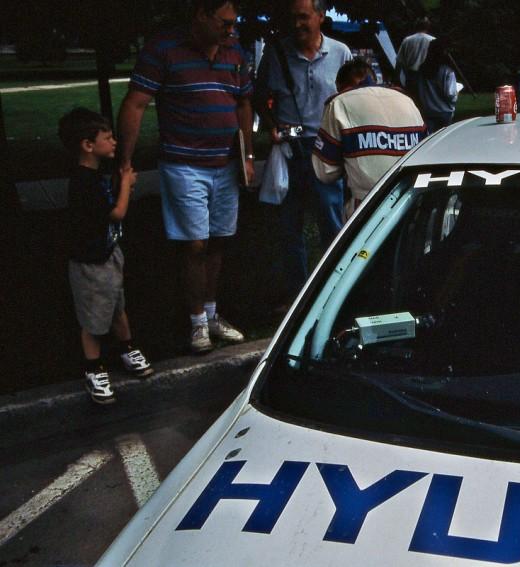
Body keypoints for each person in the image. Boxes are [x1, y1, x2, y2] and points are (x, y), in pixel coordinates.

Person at [117, 0, 253, 354]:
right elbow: (135, 103)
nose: (230, 30)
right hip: (184, 163)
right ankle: (196, 323)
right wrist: (124, 162)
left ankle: (211, 314)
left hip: (225, 163)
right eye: (224, 23)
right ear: (201, 15)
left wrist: (247, 155)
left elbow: (242, 102)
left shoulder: (233, 50)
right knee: (195, 244)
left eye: (233, 23)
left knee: (219, 239)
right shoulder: (164, 49)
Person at [254, 0, 351, 311]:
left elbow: (355, 97)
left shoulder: (340, 53)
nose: (297, 24)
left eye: (303, 17)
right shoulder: (277, 52)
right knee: (289, 226)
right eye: (292, 17)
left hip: (327, 148)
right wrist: (271, 126)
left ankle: (334, 292)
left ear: (321, 16)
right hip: (289, 150)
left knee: (332, 222)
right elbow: (258, 97)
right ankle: (298, 295)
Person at [58, 108, 154, 405]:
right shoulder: (83, 182)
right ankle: (94, 369)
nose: (114, 142)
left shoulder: (95, 175)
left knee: (116, 307)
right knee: (93, 321)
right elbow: (118, 212)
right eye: (108, 137)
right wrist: (126, 182)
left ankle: (127, 348)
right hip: (90, 264)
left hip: (108, 254)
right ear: (88, 145)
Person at [312, 58, 426, 220]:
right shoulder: (407, 101)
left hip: (366, 210)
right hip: (412, 203)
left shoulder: (339, 103)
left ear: (341, 86)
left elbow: (324, 172)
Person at [416, 38, 458, 134]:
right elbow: (450, 94)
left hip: (428, 110)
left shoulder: (422, 70)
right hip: (444, 112)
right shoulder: (447, 71)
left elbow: (419, 90)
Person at [395, 17, 434, 95]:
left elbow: (399, 62)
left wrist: (396, 79)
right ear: (428, 27)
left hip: (411, 76)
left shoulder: (407, 40)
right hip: (427, 76)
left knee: (411, 99)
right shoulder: (433, 40)